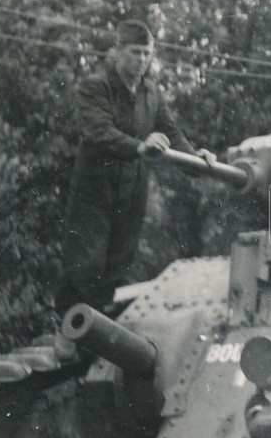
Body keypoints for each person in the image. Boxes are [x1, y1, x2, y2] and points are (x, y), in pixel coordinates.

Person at [54, 20, 215, 315]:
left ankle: (98, 332)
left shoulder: (151, 93)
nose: (141, 59)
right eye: (135, 52)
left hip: (132, 188)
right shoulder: (96, 86)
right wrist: (139, 147)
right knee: (85, 262)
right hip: (96, 187)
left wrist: (198, 161)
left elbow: (171, 132)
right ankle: (68, 327)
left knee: (119, 263)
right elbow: (98, 130)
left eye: (146, 53)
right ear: (119, 51)